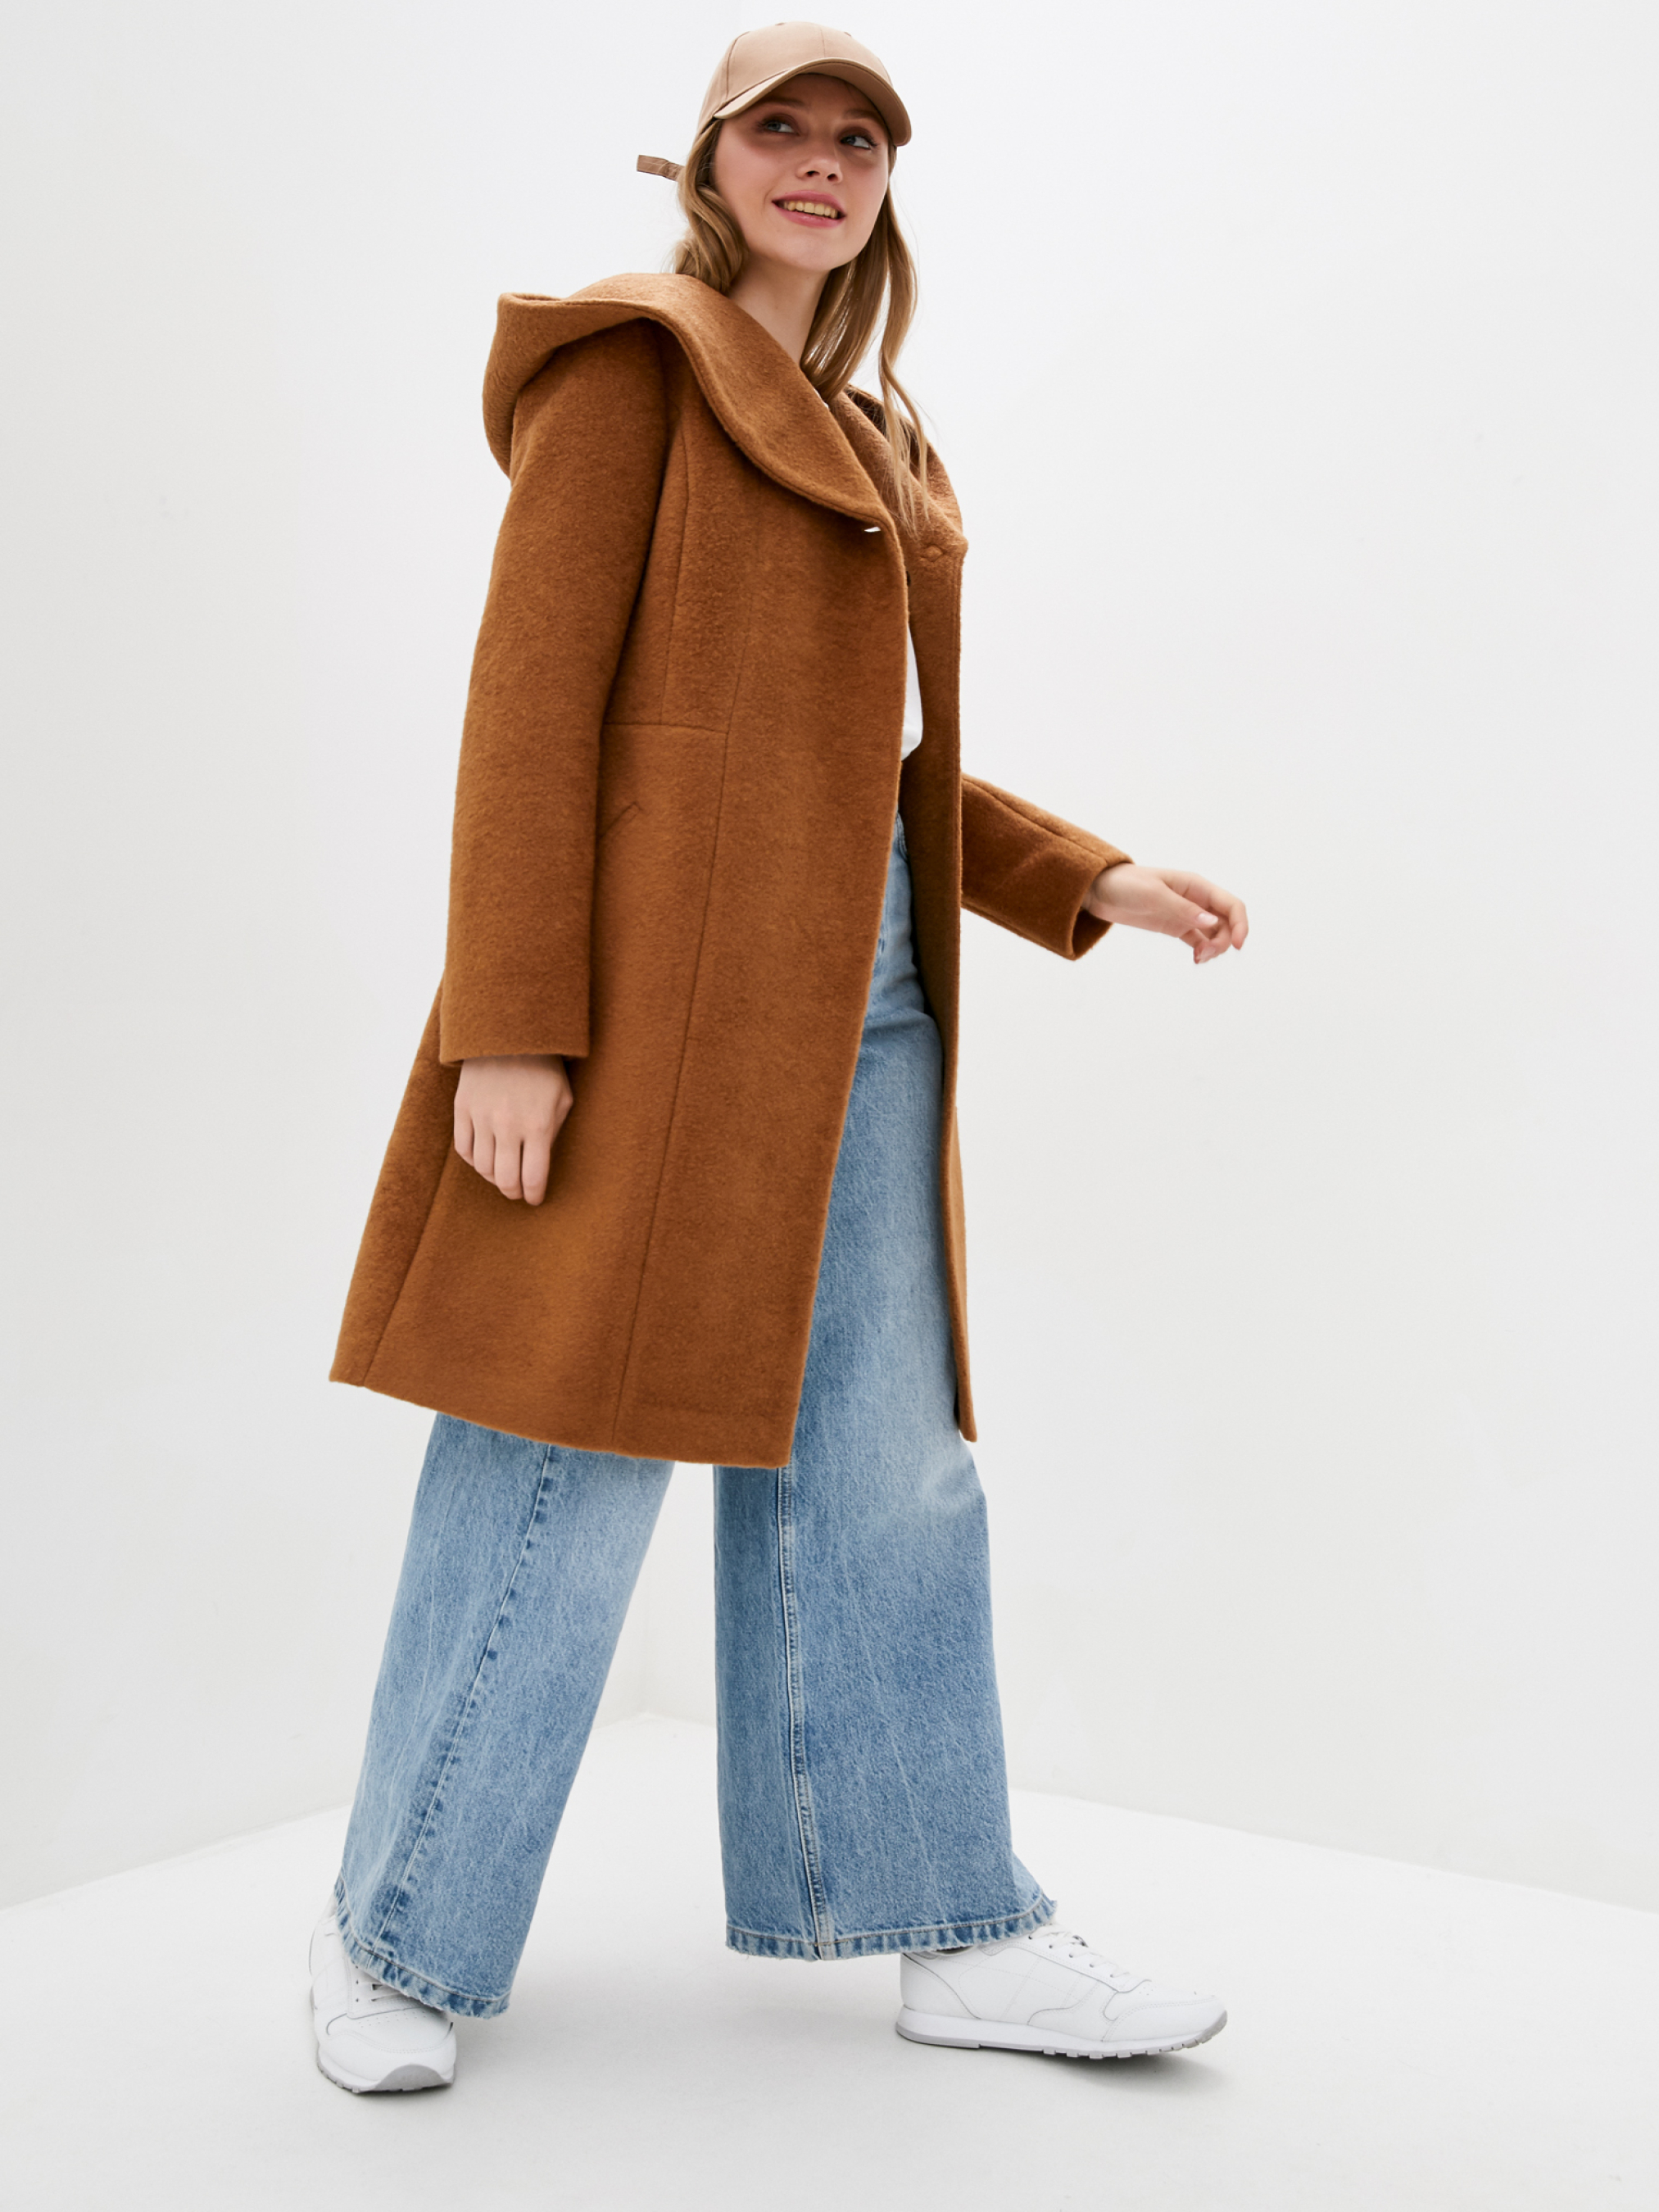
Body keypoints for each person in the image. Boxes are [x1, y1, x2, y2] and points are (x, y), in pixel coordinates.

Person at [310, 21, 1249, 2095]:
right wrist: (512, 1029)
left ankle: (951, 1925)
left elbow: (873, 772)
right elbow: (525, 713)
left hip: (871, 1018)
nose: (819, 164)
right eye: (780, 133)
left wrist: (1083, 877)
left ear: (884, 184)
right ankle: (389, 1932)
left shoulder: (875, 431)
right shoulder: (631, 369)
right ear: (709, 162)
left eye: (857, 141)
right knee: (559, 1455)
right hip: (649, 1029)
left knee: (890, 1472)